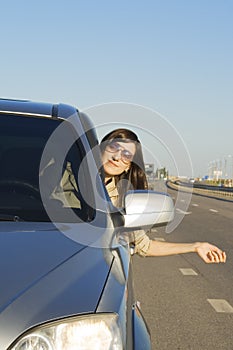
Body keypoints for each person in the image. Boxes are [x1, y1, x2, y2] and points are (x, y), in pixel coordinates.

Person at [100, 128, 226, 263]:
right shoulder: (75, 176)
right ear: (102, 149)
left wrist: (196, 246)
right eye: (114, 147)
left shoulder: (123, 201)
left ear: (128, 167)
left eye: (126, 155)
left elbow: (145, 246)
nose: (117, 157)